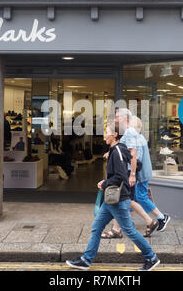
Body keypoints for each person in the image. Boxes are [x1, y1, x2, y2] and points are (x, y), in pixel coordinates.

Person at [65, 121, 160, 271]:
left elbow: (121, 176)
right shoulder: (119, 149)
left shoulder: (117, 151)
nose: (104, 135)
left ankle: (151, 257)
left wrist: (105, 183)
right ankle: (86, 260)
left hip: (118, 200)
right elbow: (133, 158)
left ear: (115, 135)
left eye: (106, 132)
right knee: (96, 227)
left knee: (130, 231)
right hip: (111, 200)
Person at [101, 108, 160, 238]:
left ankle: (149, 222)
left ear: (124, 118)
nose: (115, 119)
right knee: (124, 199)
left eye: (117, 117)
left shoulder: (130, 131)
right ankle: (119, 228)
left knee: (124, 199)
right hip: (125, 170)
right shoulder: (125, 132)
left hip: (127, 171)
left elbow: (133, 153)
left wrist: (132, 174)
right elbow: (124, 150)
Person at [130, 116, 170, 233]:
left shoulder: (137, 139)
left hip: (141, 174)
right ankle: (129, 220)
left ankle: (162, 217)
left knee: (140, 196)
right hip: (142, 173)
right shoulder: (140, 137)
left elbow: (138, 158)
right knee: (133, 197)